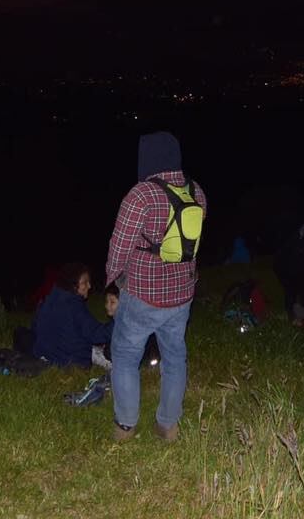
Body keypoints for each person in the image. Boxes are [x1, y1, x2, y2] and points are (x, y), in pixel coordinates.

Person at [105, 131, 205, 444]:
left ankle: (125, 425)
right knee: (175, 357)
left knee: (125, 355)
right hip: (182, 295)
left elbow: (119, 247)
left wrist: (112, 282)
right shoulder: (196, 192)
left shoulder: (141, 195)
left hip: (143, 294)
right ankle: (167, 426)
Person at [29, 262, 114, 367]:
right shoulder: (73, 305)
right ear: (73, 285)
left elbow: (35, 327)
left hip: (45, 354)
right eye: (85, 282)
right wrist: (119, 323)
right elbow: (96, 334)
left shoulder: (48, 300)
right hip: (69, 360)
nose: (89, 286)